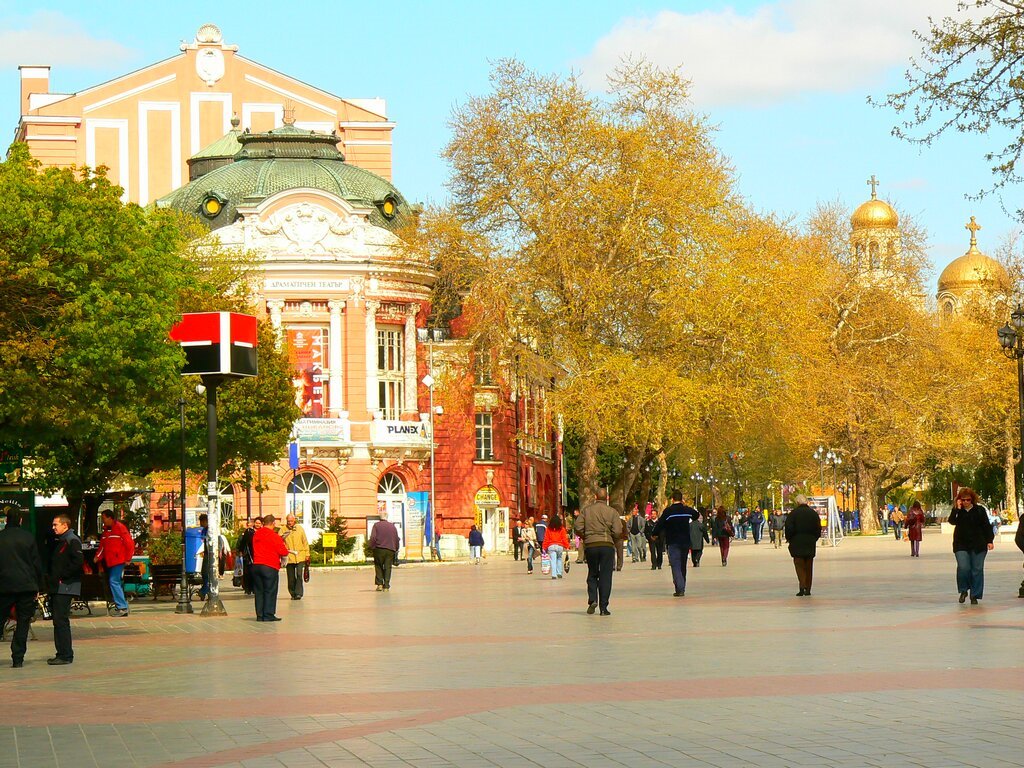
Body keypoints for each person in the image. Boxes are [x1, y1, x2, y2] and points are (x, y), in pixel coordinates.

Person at [0, 509, 44, 668]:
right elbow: (36, 563)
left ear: (6, 520)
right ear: (20, 521)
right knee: (23, 622)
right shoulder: (28, 537)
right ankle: (18, 657)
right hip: (26, 586)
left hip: (3, 587)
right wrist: (39, 584)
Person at [574, 486, 623, 615]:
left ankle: (592, 599)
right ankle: (603, 607)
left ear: (595, 497)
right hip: (607, 545)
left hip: (591, 545)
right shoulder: (612, 512)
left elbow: (577, 526)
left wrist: (586, 536)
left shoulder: (586, 511)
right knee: (606, 576)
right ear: (607, 498)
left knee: (592, 573)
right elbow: (618, 531)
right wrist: (612, 536)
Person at [46, 514, 83, 664]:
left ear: (65, 525)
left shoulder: (71, 540)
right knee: (58, 620)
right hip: (60, 585)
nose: (53, 528)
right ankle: (62, 652)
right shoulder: (62, 541)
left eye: (56, 525)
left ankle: (65, 654)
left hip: (66, 586)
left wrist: (62, 576)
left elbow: (77, 562)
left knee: (61, 620)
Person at [949, 488, 994, 604]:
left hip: (978, 544)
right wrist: (956, 509)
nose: (965, 502)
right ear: (959, 500)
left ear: (972, 499)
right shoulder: (958, 511)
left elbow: (986, 526)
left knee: (977, 569)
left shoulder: (979, 510)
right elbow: (952, 521)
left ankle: (975, 595)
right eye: (963, 500)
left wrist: (990, 541)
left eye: (968, 500)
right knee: (963, 567)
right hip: (961, 544)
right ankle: (963, 590)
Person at [652, 490, 697, 597]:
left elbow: (660, 524)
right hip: (685, 541)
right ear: (681, 499)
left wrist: (654, 534)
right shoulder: (686, 510)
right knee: (683, 565)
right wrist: (685, 506)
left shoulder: (669, 511)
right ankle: (682, 586)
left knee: (675, 564)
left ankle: (679, 588)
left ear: (672, 499)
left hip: (673, 541)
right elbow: (696, 515)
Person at [95, 508, 134, 617]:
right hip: (110, 561)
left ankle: (122, 607)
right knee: (114, 581)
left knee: (113, 581)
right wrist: (98, 556)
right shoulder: (106, 531)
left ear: (110, 518)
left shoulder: (120, 528)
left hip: (118, 560)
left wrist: (127, 558)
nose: (103, 520)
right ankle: (122, 605)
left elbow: (129, 544)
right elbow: (103, 546)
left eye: (103, 518)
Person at [251, 513, 289, 621]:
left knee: (259, 591)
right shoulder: (274, 535)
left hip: (256, 565)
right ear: (273, 523)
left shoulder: (256, 534)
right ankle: (268, 614)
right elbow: (283, 551)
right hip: (269, 566)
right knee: (270, 590)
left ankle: (260, 615)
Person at [785, 495, 820, 597]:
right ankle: (808, 588)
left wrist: (790, 539)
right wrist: (814, 538)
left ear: (797, 503)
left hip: (797, 542)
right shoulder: (813, 514)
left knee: (799, 565)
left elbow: (789, 528)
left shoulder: (793, 514)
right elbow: (818, 528)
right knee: (809, 566)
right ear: (807, 502)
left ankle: (802, 586)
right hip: (810, 542)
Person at [280, 514, 310, 600]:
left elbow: (305, 541)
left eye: (291, 521)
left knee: (299, 574)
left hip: (300, 555)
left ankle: (299, 593)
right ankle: (292, 593)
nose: (290, 523)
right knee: (291, 577)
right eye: (288, 521)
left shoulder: (300, 528)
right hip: (289, 557)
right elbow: (279, 541)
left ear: (294, 521)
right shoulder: (283, 530)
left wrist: (307, 554)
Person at [369, 510, 400, 591]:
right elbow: (396, 538)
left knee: (378, 566)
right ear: (387, 517)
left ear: (380, 518)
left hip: (379, 549)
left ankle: (379, 584)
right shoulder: (392, 526)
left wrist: (372, 547)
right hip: (390, 549)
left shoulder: (376, 525)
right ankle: (386, 586)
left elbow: (373, 538)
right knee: (387, 567)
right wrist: (396, 548)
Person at [237, 517, 262, 594]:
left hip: (259, 554)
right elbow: (243, 542)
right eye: (256, 523)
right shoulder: (249, 531)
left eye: (259, 523)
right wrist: (241, 551)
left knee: (257, 573)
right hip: (249, 554)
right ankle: (248, 588)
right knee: (249, 572)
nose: (257, 525)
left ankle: (256, 588)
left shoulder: (262, 532)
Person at [542, 514, 570, 579]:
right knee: (559, 559)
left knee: (553, 560)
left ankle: (554, 574)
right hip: (559, 546)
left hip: (551, 546)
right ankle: (559, 573)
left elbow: (546, 538)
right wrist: (567, 546)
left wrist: (544, 547)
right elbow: (564, 539)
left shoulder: (548, 529)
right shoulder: (562, 529)